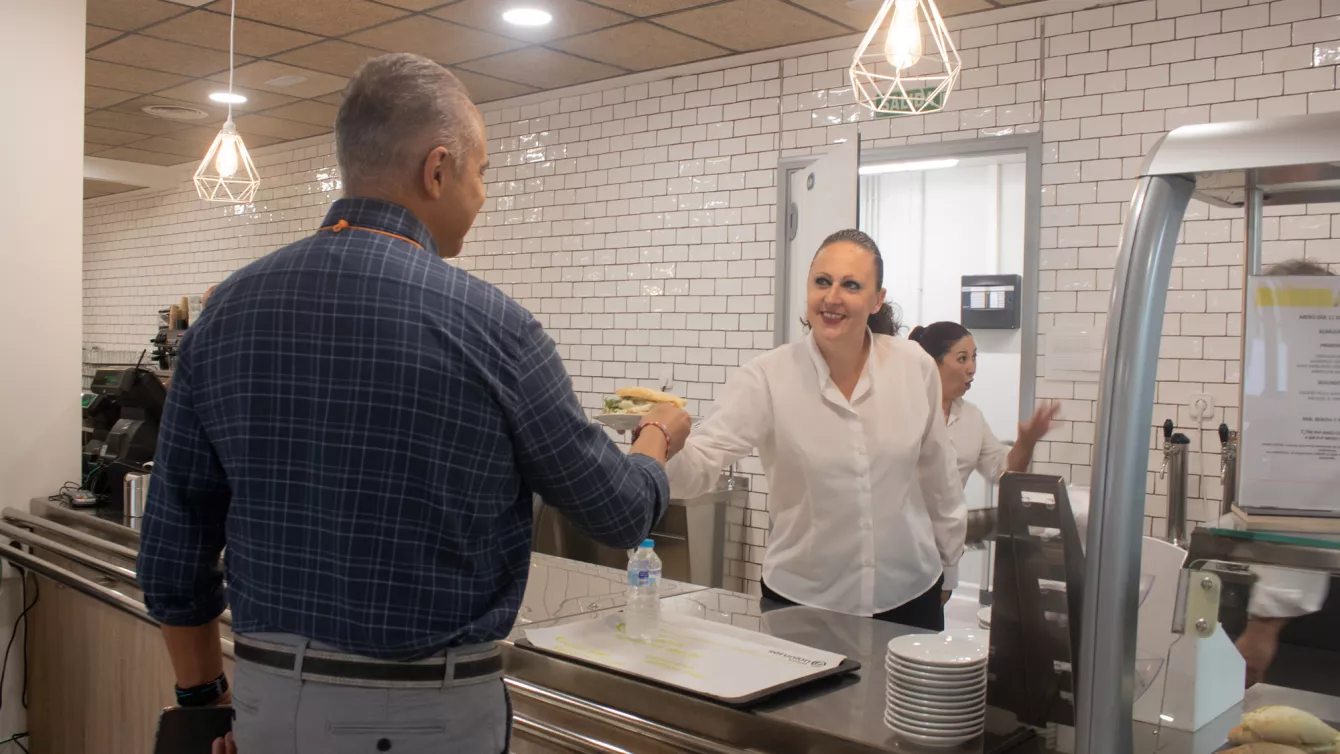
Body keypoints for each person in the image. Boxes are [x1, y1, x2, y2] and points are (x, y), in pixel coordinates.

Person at [137, 52, 691, 754]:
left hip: (271, 703)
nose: (483, 194)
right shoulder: (496, 328)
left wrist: (203, 700)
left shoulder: (225, 312)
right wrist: (654, 438)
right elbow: (616, 511)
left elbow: (173, 545)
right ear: (437, 169)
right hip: (431, 716)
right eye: (481, 171)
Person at [667, 229, 966, 631]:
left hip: (909, 592)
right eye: (822, 282)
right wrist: (658, 442)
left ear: (877, 299)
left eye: (851, 285)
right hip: (803, 602)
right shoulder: (767, 378)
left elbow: (939, 474)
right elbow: (701, 462)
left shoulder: (914, 366)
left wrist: (949, 564)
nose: (832, 298)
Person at [1235, 258, 1333, 687]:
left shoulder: (1312, 392)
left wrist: (1265, 624)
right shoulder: (1287, 384)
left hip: (1308, 616)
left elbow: (1308, 502)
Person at [907, 321, 1060, 488]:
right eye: (962, 358)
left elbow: (1003, 472)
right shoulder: (903, 410)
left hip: (953, 514)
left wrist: (1026, 442)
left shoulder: (971, 416)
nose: (972, 368)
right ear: (932, 363)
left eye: (974, 357)